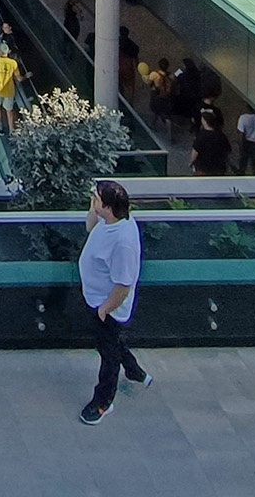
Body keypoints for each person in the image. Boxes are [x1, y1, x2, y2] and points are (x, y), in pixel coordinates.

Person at [78, 180, 149, 424]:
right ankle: (135, 371)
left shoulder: (123, 242)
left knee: (108, 354)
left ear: (108, 206)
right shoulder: (107, 220)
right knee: (112, 342)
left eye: (96, 198)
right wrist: (93, 206)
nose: (93, 200)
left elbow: (123, 285)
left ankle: (102, 402)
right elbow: (90, 227)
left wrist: (105, 309)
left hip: (107, 307)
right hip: (96, 298)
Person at [0, 41, 22, 135]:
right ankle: (11, 131)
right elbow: (18, 78)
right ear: (8, 52)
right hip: (9, 90)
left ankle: (0, 126)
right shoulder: (13, 63)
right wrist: (25, 76)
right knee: (9, 111)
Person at [191, 108, 233, 176]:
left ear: (204, 121)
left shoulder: (201, 136)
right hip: (218, 168)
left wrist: (192, 163)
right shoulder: (221, 135)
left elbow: (194, 153)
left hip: (203, 168)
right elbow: (228, 151)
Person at [236, 107, 255, 174]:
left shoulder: (243, 118)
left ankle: (241, 175)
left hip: (246, 142)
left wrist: (241, 146)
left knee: (243, 161)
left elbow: (241, 133)